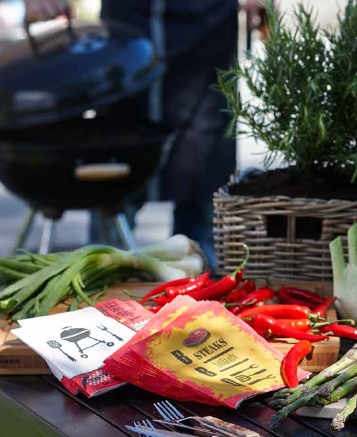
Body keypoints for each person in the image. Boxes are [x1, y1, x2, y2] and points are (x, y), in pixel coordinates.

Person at [22, 0, 266, 271]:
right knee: (117, 163)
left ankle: (202, 272)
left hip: (210, 28)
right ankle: (103, 269)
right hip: (128, 25)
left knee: (204, 188)